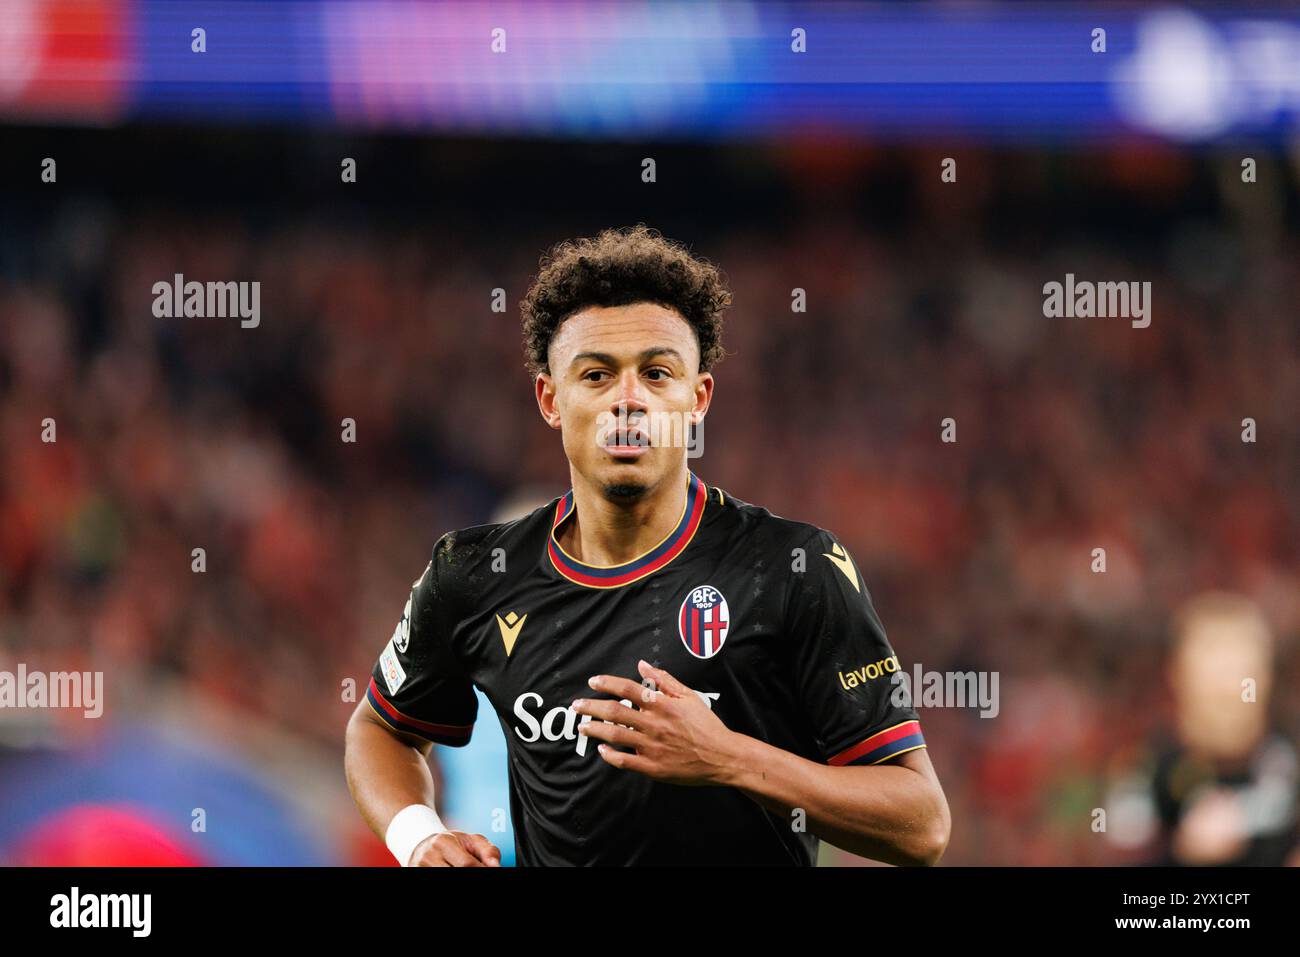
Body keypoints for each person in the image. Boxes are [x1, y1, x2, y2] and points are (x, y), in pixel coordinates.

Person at [344, 224, 950, 866]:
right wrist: (418, 837)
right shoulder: (474, 574)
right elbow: (382, 728)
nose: (628, 401)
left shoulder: (791, 569)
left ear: (698, 397)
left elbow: (920, 826)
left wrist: (727, 758)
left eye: (657, 374)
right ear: (551, 399)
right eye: (598, 375)